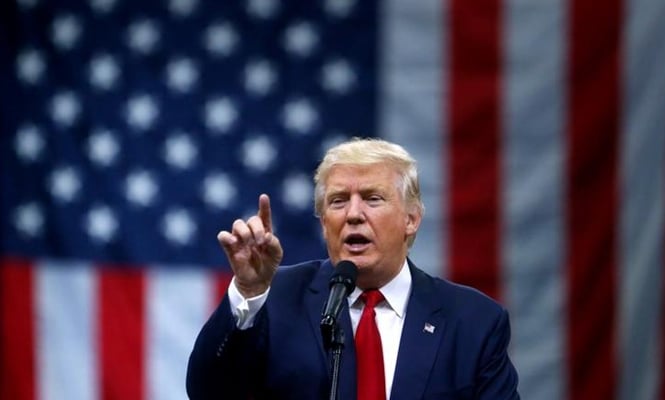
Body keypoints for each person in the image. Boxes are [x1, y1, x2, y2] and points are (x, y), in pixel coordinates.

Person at [186, 138, 520, 399]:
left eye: (373, 198)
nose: (354, 214)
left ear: (411, 219)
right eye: (338, 200)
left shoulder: (473, 321)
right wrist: (249, 291)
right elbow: (208, 393)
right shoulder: (276, 296)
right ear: (323, 222)